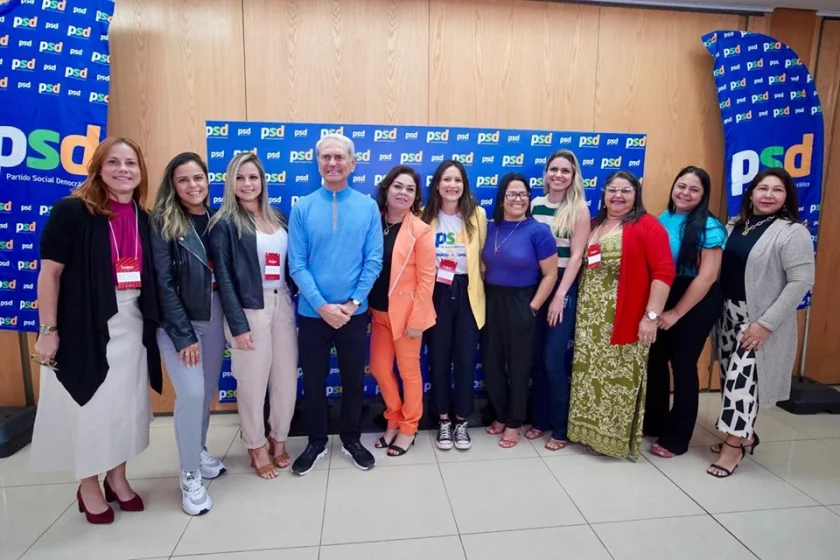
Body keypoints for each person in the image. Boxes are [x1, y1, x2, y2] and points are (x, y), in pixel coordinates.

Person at [29, 137, 162, 524]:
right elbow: (49, 273)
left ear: (140, 172)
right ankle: (88, 485)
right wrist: (48, 330)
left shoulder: (144, 217)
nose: (124, 170)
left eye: (131, 163)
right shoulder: (71, 212)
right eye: (115, 162)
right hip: (82, 328)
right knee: (88, 411)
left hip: (132, 325)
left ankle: (117, 478)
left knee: (124, 409)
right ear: (99, 168)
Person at [707, 168, 814, 478]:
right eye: (762, 188)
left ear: (786, 198)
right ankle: (744, 434)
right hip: (729, 315)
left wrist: (766, 324)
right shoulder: (734, 226)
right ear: (751, 193)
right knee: (732, 378)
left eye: (777, 190)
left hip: (759, 321)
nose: (768, 195)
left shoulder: (792, 232)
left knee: (743, 382)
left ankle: (734, 449)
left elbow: (801, 281)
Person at [288, 134, 383, 475]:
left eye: (339, 157)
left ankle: (351, 439)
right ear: (318, 163)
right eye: (325, 157)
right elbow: (297, 263)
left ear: (352, 163)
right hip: (313, 314)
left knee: (354, 380)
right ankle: (315, 441)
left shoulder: (368, 207)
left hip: (354, 314)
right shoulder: (303, 207)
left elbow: (373, 260)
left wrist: (353, 302)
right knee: (313, 380)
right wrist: (322, 305)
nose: (332, 162)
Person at [567, 170, 674, 460]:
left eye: (626, 190)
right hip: (590, 319)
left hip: (624, 318)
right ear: (603, 194)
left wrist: (650, 317)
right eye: (612, 189)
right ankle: (586, 433)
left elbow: (664, 272)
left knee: (618, 381)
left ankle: (612, 441)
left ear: (636, 195)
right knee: (590, 377)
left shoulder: (647, 226)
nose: (618, 196)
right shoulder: (595, 224)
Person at [209, 152, 298, 480]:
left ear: (263, 181)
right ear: (231, 183)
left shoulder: (278, 217)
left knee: (285, 381)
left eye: (253, 177)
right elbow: (226, 279)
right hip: (249, 308)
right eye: (240, 178)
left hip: (283, 303)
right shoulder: (224, 223)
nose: (247, 184)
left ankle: (278, 438)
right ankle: (256, 446)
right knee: (251, 383)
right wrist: (238, 324)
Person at [150, 152, 227, 515]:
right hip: (179, 323)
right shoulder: (163, 223)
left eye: (198, 178)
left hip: (213, 318)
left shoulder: (216, 219)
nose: (192, 185)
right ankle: (189, 475)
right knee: (192, 392)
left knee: (206, 391)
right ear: (173, 184)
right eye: (183, 180)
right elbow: (163, 284)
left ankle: (197, 450)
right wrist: (182, 335)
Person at [643, 166, 726, 458]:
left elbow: (707, 278)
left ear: (703, 196)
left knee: (682, 363)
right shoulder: (665, 217)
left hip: (697, 300)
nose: (685, 193)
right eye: (681, 186)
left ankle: (677, 438)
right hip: (668, 291)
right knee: (655, 359)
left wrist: (677, 312)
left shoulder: (709, 226)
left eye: (694, 189)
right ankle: (654, 421)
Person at [482, 173, 557, 448]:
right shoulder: (491, 228)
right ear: (502, 199)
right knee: (491, 364)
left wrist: (534, 307)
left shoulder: (538, 231)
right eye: (512, 194)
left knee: (518, 366)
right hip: (491, 301)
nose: (518, 199)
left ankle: (514, 422)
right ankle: (500, 415)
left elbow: (550, 275)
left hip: (522, 302)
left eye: (523, 194)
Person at [369, 166, 436, 456]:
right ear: (387, 189)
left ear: (416, 197)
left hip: (407, 317)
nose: (403, 193)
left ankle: (409, 427)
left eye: (410, 189)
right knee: (381, 369)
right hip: (377, 314)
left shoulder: (420, 230)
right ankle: (393, 418)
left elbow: (426, 278)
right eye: (398, 186)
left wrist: (417, 319)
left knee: (409, 373)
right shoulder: (373, 222)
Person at [420, 160, 487, 451]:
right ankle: (443, 420)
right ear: (437, 184)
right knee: (437, 357)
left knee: (464, 359)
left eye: (457, 180)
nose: (452, 185)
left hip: (468, 290)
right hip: (436, 291)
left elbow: (482, 257)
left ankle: (462, 421)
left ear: (464, 185)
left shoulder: (478, 215)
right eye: (446, 180)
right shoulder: (424, 216)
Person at [527, 150, 590, 451]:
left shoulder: (579, 208)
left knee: (553, 360)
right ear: (546, 173)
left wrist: (560, 296)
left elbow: (577, 256)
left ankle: (561, 428)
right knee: (537, 359)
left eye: (565, 170)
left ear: (573, 175)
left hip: (562, 287)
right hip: (536, 286)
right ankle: (539, 421)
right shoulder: (536, 204)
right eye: (554, 169)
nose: (559, 175)